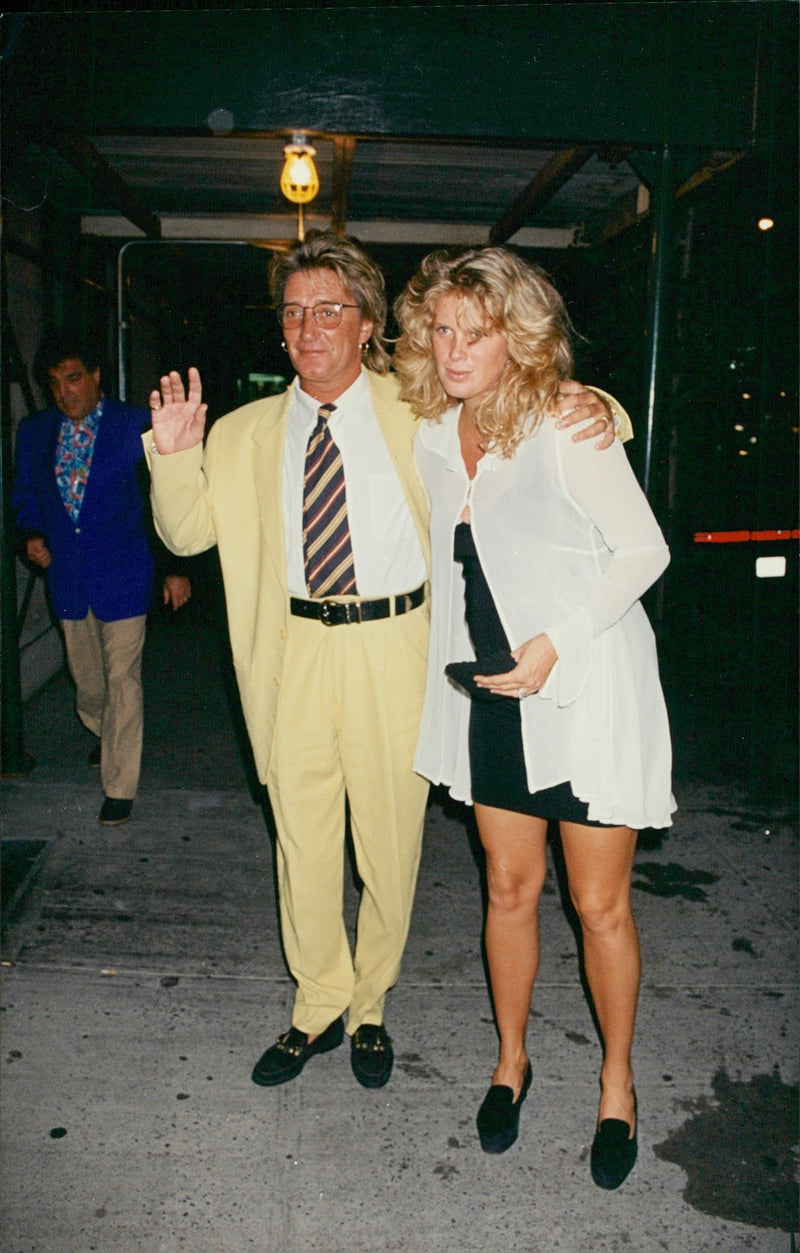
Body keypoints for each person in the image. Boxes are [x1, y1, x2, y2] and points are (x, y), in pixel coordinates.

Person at [143, 230, 624, 1091]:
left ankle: (369, 1003)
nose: (308, 327)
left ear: (367, 323)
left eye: (329, 310)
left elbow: (523, 404)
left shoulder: (421, 408)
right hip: (290, 652)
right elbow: (185, 535)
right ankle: (317, 1001)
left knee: (390, 842)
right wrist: (176, 454)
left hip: (394, 646)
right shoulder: (245, 433)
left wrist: (597, 404)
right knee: (301, 839)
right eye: (294, 312)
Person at [394, 246, 674, 1187]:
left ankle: (617, 1082)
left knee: (599, 904)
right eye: (442, 328)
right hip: (491, 695)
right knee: (508, 889)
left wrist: (559, 641)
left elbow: (645, 550)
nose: (455, 349)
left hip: (584, 689)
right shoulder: (435, 430)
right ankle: (510, 1062)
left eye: (476, 332)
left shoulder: (564, 421)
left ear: (518, 337)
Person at [12, 330, 192, 826]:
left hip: (126, 573)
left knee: (122, 678)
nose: (64, 392)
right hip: (68, 578)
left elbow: (166, 501)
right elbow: (25, 495)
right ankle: (105, 729)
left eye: (73, 378)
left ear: (95, 375)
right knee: (89, 687)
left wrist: (175, 568)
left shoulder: (135, 426)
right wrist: (30, 535)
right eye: (54, 383)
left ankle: (119, 785)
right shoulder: (35, 432)